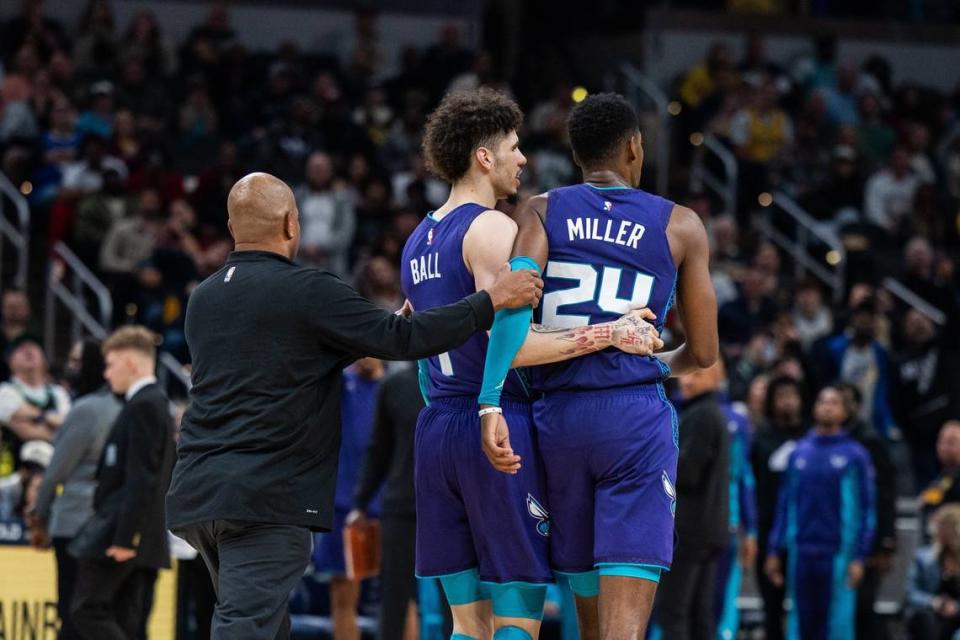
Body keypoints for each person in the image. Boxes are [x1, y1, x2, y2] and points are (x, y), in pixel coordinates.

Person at [165, 170, 543, 640]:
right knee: (247, 626)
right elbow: (400, 340)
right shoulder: (307, 291)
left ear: (231, 227)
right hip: (261, 497)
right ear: (290, 225)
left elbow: (295, 353)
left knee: (262, 620)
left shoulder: (204, 298)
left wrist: (387, 321)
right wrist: (490, 299)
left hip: (199, 494)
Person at [400, 88, 662, 640]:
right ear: (484, 156)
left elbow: (419, 350)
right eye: (515, 148)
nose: (524, 160)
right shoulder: (493, 228)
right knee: (517, 617)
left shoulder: (418, 240)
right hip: (495, 427)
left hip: (436, 429)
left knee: (466, 627)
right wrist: (610, 333)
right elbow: (514, 345)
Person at [480, 92, 717, 640]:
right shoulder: (680, 225)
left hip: (557, 420)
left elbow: (513, 310)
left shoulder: (540, 208)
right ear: (636, 147)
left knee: (585, 610)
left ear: (576, 151)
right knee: (623, 628)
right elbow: (704, 353)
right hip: (632, 420)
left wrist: (492, 396)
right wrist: (651, 360)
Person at [69, 326, 175, 640]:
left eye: (110, 364)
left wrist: (126, 538)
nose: (106, 373)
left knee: (86, 610)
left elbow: (141, 478)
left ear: (130, 362)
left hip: (123, 534)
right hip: (141, 535)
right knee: (128, 622)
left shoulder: (143, 405)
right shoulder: (154, 403)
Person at [764, 386, 876, 640]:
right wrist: (773, 549)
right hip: (801, 551)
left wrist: (860, 556)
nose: (827, 406)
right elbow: (785, 504)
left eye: (834, 402)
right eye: (822, 401)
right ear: (813, 408)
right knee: (800, 622)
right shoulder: (799, 452)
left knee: (836, 626)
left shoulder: (855, 456)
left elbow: (867, 510)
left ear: (845, 412)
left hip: (838, 554)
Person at [29, 339, 121, 640]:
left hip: (75, 523)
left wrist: (39, 514)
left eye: (78, 361)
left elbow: (57, 471)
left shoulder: (86, 409)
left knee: (71, 613)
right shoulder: (129, 406)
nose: (72, 368)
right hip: (111, 523)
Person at [654, 362, 730, 640]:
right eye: (684, 374)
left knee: (674, 611)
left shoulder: (700, 415)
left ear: (715, 376)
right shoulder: (712, 413)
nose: (685, 381)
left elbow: (687, 471)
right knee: (699, 612)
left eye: (695, 374)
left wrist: (656, 459)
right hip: (710, 528)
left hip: (690, 529)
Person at [348, 364, 423, 640]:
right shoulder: (394, 385)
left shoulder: (465, 379)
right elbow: (379, 448)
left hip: (449, 506)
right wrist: (360, 503)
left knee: (457, 596)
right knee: (394, 594)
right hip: (401, 505)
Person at [312, 357, 385, 640]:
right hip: (344, 504)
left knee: (400, 596)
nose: (364, 355)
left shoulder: (397, 387)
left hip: (387, 506)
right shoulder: (341, 383)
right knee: (343, 593)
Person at [837, 383, 897, 640]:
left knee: (863, 605)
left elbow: (885, 493)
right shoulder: (823, 439)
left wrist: (884, 542)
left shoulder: (869, 440)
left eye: (848, 401)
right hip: (836, 538)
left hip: (866, 538)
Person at [750, 376, 807, 640]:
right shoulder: (760, 440)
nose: (787, 401)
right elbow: (749, 485)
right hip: (767, 528)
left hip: (805, 533)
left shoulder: (812, 439)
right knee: (771, 606)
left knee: (807, 607)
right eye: (781, 395)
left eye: (792, 395)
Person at [715, 375, 758, 640]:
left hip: (726, 524)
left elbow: (744, 477)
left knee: (722, 600)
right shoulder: (669, 410)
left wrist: (750, 530)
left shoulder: (736, 421)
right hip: (676, 527)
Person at [0, 335, 71, 475]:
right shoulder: (4, 391)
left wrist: (33, 417)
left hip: (52, 473)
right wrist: (49, 421)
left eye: (33, 347)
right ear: (10, 362)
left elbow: (67, 425)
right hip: (13, 477)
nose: (28, 350)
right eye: (20, 349)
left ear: (45, 361)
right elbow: (25, 432)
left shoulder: (58, 393)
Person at [906, 504, 960, 640]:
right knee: (927, 620)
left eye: (941, 526)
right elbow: (910, 593)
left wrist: (956, 607)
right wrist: (933, 602)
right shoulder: (924, 558)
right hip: (931, 615)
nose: (935, 530)